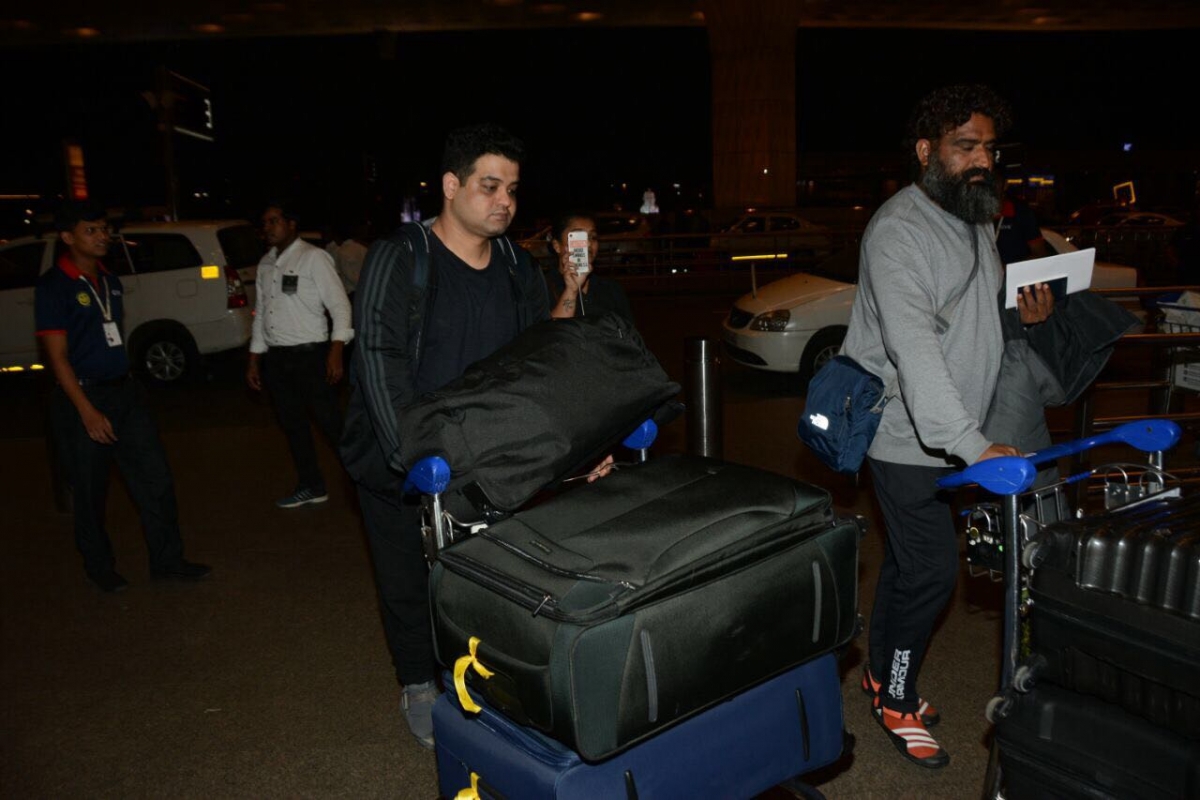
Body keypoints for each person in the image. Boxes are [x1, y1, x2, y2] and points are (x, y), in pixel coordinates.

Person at [840, 84, 1052, 769]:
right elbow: (915, 348)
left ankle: (880, 672)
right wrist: (973, 446)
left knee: (909, 563)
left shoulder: (975, 217)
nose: (982, 159)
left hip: (959, 429)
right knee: (932, 571)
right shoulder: (899, 232)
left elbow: (970, 321)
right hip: (906, 434)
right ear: (926, 151)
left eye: (990, 146)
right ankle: (894, 696)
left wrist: (1025, 317)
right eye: (966, 147)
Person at [339, 123, 552, 750]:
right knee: (408, 578)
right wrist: (413, 456)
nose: (504, 201)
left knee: (485, 577)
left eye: (512, 188)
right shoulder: (402, 257)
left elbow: (540, 359)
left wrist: (569, 443)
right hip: (401, 461)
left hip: (484, 456)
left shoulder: (516, 263)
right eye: (490, 186)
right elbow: (378, 358)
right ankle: (417, 684)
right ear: (451, 185)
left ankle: (486, 680)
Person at [34, 200, 211, 592]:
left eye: (104, 229)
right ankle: (100, 569)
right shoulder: (53, 287)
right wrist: (87, 411)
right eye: (91, 231)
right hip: (84, 399)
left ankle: (168, 560)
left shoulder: (109, 280)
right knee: (91, 491)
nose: (103, 237)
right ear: (68, 237)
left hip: (126, 395)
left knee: (156, 480)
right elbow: (57, 358)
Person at [246, 200, 354, 509]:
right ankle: (311, 485)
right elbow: (261, 314)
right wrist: (254, 358)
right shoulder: (266, 263)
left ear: (291, 224)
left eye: (274, 221)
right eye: (264, 223)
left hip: (311, 355)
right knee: (293, 426)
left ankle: (366, 483)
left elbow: (340, 306)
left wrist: (335, 351)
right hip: (278, 359)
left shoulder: (313, 258)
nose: (268, 228)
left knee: (332, 425)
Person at [546, 211, 635, 323]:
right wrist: (571, 290)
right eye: (578, 237)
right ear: (557, 246)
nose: (588, 243)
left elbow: (630, 335)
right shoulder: (542, 288)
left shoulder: (611, 288)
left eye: (592, 237)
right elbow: (549, 336)